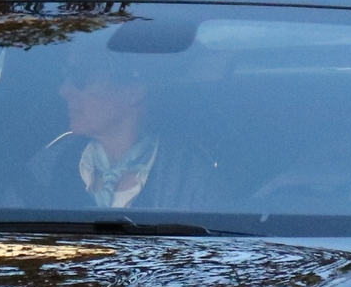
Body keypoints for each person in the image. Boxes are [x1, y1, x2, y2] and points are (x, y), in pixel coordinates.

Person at [25, 63, 215, 210]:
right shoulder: (48, 165)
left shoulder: (189, 174)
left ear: (134, 92)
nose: (64, 90)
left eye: (80, 78)